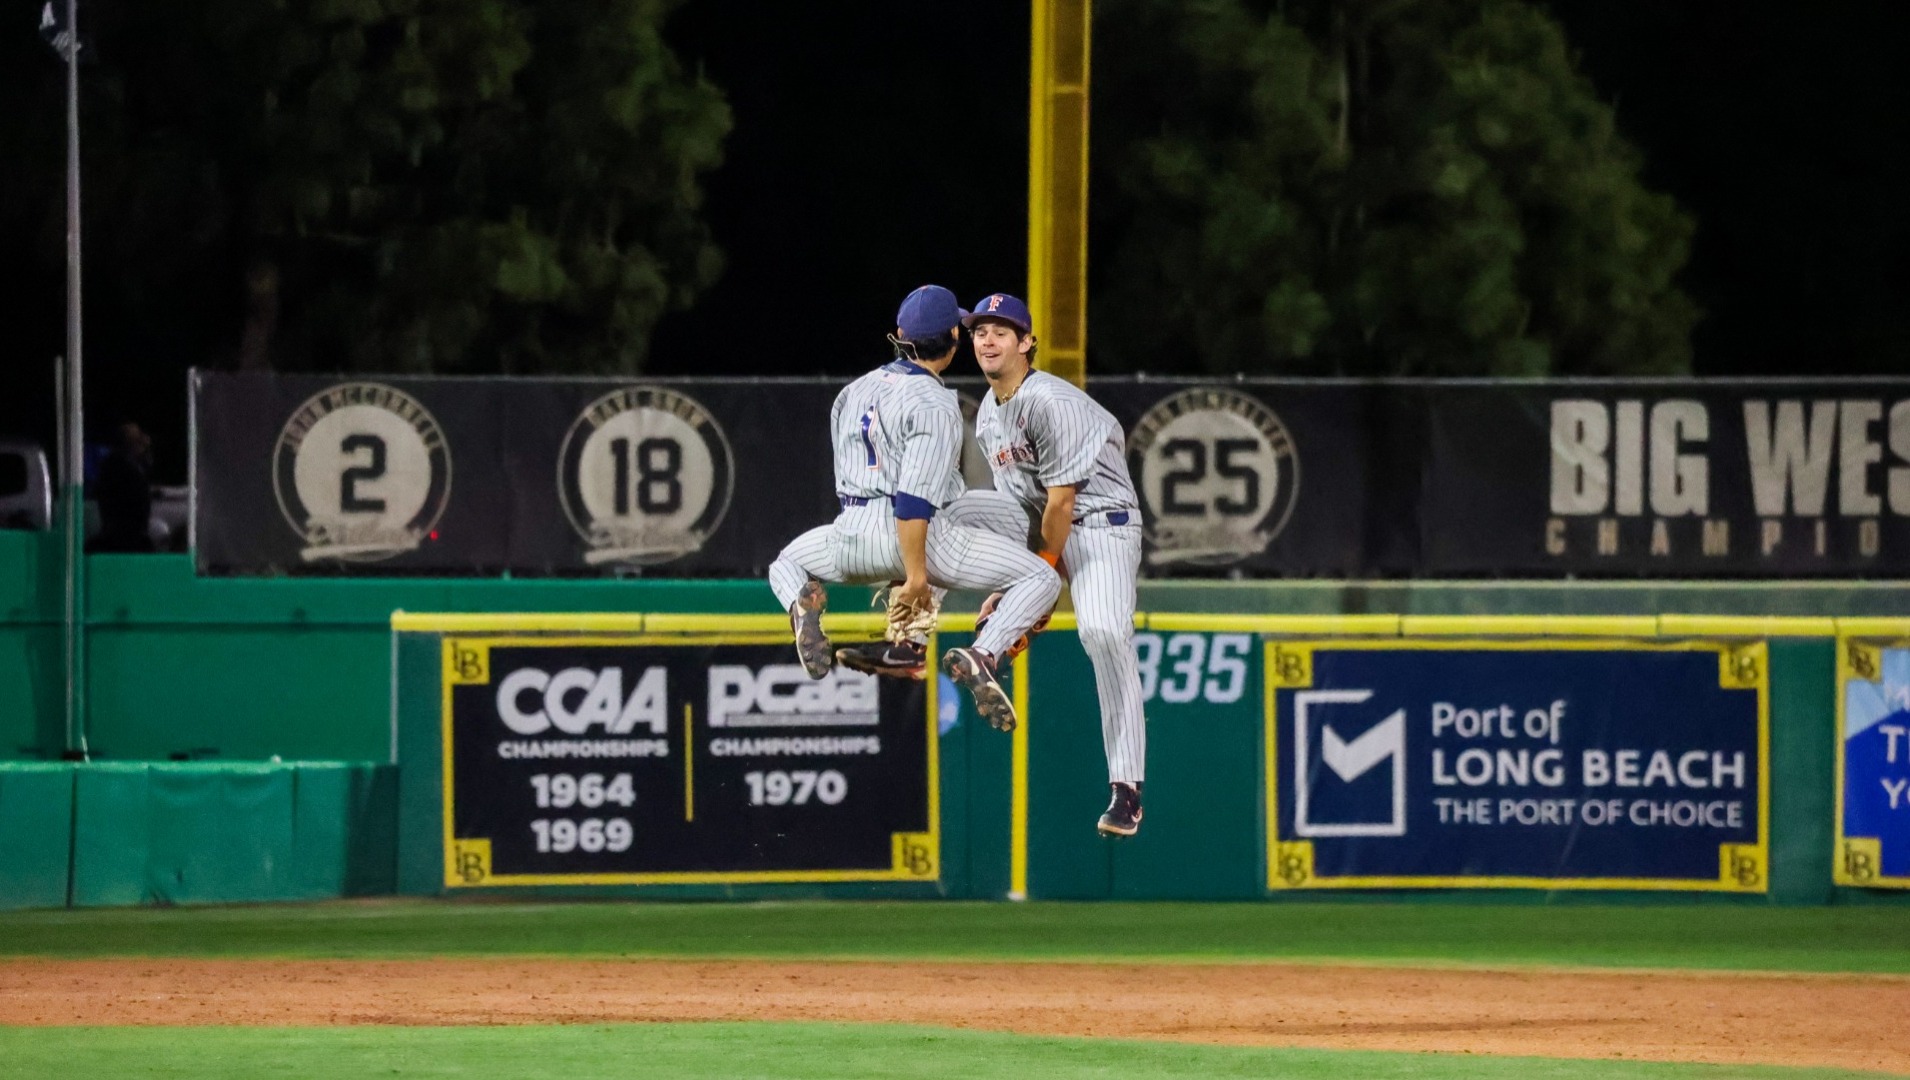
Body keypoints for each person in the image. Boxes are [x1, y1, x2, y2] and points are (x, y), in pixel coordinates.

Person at [766, 285, 1061, 732]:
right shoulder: (936, 403)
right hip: (907, 533)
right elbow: (913, 501)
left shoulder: (852, 392)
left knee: (785, 562)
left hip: (848, 533)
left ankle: (816, 613)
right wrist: (916, 576)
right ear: (954, 340)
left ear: (900, 334)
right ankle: (985, 652)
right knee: (1040, 578)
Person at [953, 293, 1148, 838]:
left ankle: (1126, 790)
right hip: (1045, 523)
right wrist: (1008, 579)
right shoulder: (991, 411)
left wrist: (1037, 576)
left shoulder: (1051, 402)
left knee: (1105, 632)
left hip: (1101, 525)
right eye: (979, 331)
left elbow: (1061, 504)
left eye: (1001, 331)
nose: (987, 340)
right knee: (952, 508)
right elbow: (1025, 507)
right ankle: (946, 638)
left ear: (1027, 342)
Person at [90, 423, 155, 553]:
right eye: (137, 440)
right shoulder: (118, 467)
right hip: (123, 538)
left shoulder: (129, 465)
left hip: (129, 534)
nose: (143, 442)